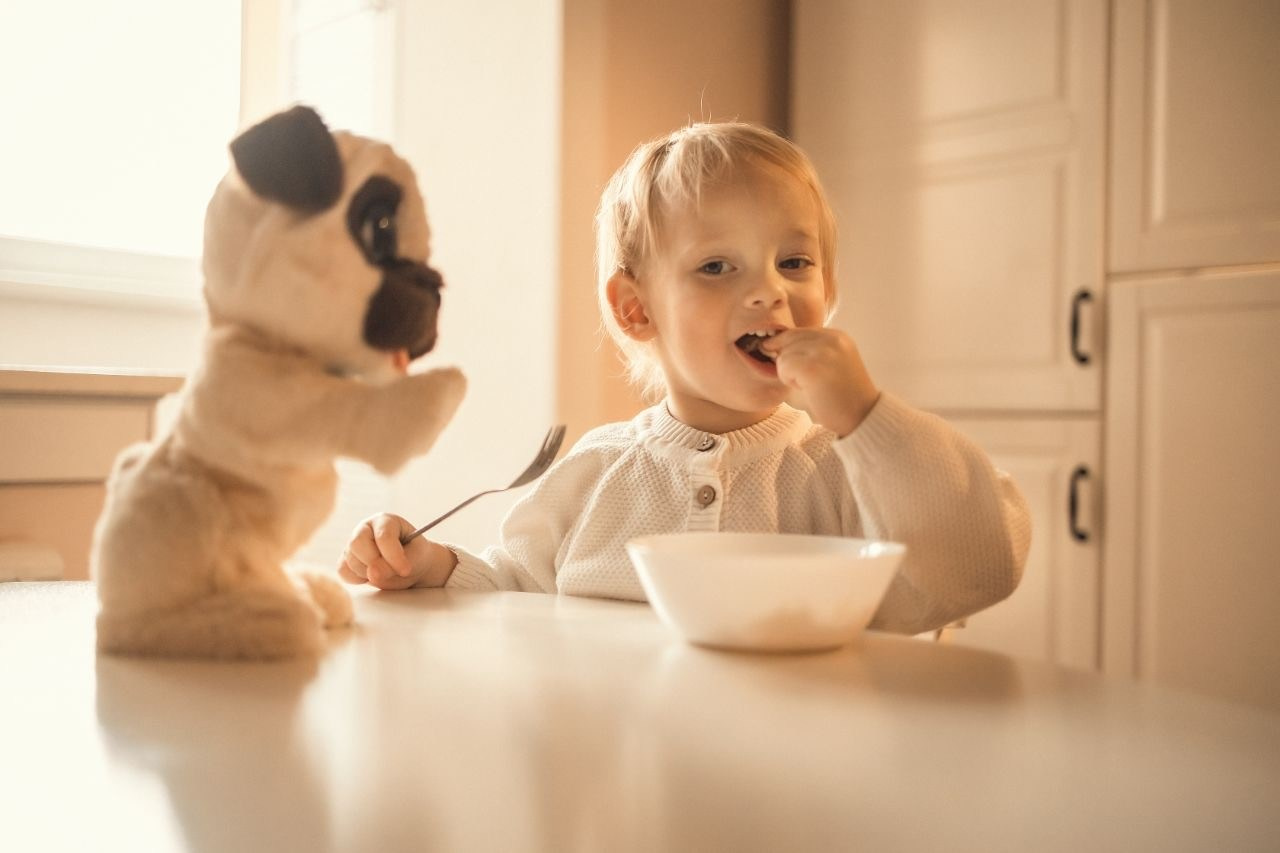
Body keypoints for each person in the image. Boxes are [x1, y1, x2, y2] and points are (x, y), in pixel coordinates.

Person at [338, 122, 1031, 635]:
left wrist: (867, 417)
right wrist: (430, 565)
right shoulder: (593, 473)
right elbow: (516, 591)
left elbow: (977, 565)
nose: (770, 292)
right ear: (636, 308)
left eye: (795, 262)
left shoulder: (846, 474)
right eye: (716, 267)